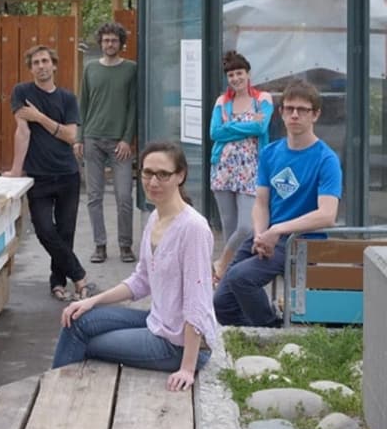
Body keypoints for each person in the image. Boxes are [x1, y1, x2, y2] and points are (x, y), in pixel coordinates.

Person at [52, 141, 217, 392]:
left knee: (82, 339)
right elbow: (141, 280)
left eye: (163, 174)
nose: (153, 182)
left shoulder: (193, 228)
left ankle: (55, 397)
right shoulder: (155, 217)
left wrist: (187, 368)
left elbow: (198, 302)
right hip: (157, 322)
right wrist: (91, 302)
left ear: (180, 176)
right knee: (77, 320)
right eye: (148, 173)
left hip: (177, 344)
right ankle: (59, 393)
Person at [214, 80, 341, 327]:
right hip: (269, 235)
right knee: (221, 303)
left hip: (302, 242)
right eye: (289, 108)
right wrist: (261, 235)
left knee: (241, 278)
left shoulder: (326, 159)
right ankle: (262, 330)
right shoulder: (270, 153)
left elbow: (327, 215)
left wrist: (276, 231)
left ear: (315, 115)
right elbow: (261, 204)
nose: (295, 115)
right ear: (281, 112)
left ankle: (273, 331)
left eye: (302, 110)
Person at [3, 45, 97, 302]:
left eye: (45, 61)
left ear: (54, 65)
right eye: (35, 62)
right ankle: (80, 276)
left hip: (67, 174)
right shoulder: (22, 92)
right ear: (30, 67)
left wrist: (39, 116)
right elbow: (23, 132)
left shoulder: (67, 98)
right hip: (38, 176)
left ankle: (58, 282)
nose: (41, 66)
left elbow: (70, 135)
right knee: (45, 230)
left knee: (65, 233)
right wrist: (15, 169)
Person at [210, 51, 274, 283]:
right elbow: (214, 132)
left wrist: (231, 126)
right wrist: (245, 123)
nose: (235, 78)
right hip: (223, 171)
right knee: (229, 228)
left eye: (239, 73)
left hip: (251, 171)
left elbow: (261, 128)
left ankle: (222, 264)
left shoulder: (263, 99)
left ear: (248, 75)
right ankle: (232, 277)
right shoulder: (222, 102)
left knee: (246, 227)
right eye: (231, 75)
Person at [77, 22, 138, 264]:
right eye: (105, 40)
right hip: (92, 138)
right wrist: (79, 138)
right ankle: (99, 245)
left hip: (119, 143)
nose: (109, 44)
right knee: (94, 196)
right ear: (100, 43)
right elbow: (83, 104)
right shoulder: (90, 69)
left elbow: (134, 106)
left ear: (121, 43)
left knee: (124, 196)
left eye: (113, 40)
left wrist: (127, 138)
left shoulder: (131, 69)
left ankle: (125, 245)